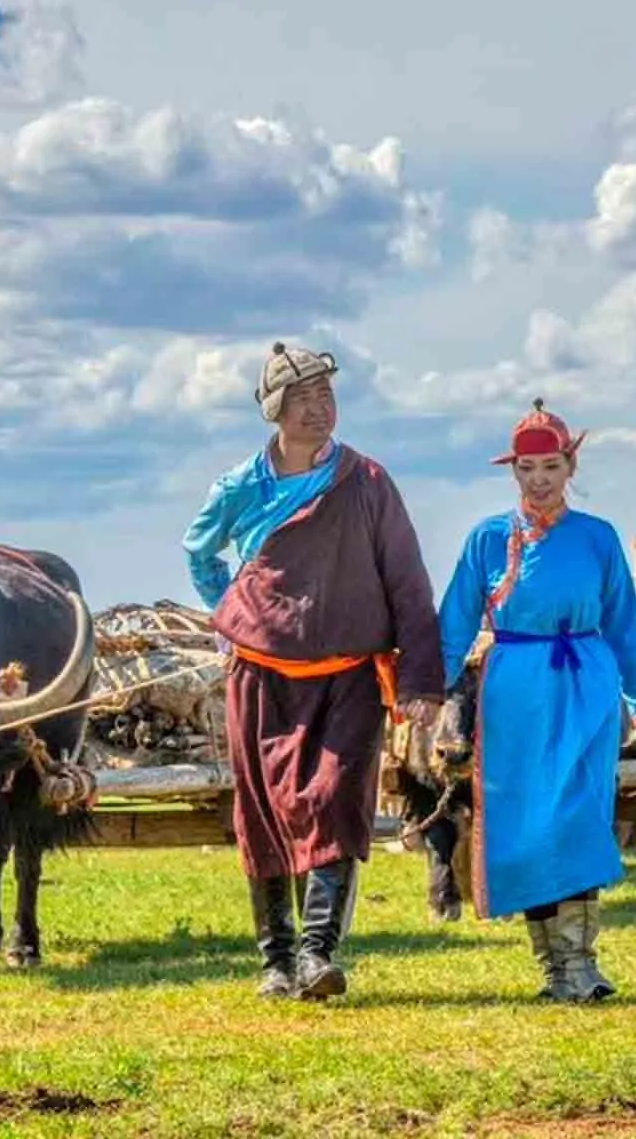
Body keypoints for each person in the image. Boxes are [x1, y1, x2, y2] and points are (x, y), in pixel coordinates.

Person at [183, 341, 445, 1001]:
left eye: (325, 395)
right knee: (264, 812)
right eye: (301, 399)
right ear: (274, 410)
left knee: (335, 799)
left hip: (347, 673)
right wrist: (233, 612)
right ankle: (275, 961)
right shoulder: (240, 487)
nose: (317, 410)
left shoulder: (367, 482)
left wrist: (420, 681)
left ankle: (316, 954)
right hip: (261, 675)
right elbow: (200, 551)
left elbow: (407, 580)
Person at [432, 398, 636, 1003]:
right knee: (527, 825)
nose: (539, 480)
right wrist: (426, 692)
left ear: (570, 467)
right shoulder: (487, 540)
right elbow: (455, 624)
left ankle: (581, 964)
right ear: (513, 470)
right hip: (514, 695)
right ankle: (554, 970)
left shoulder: (597, 538)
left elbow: (625, 623)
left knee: (578, 818)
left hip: (585, 685)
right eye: (527, 468)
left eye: (551, 467)